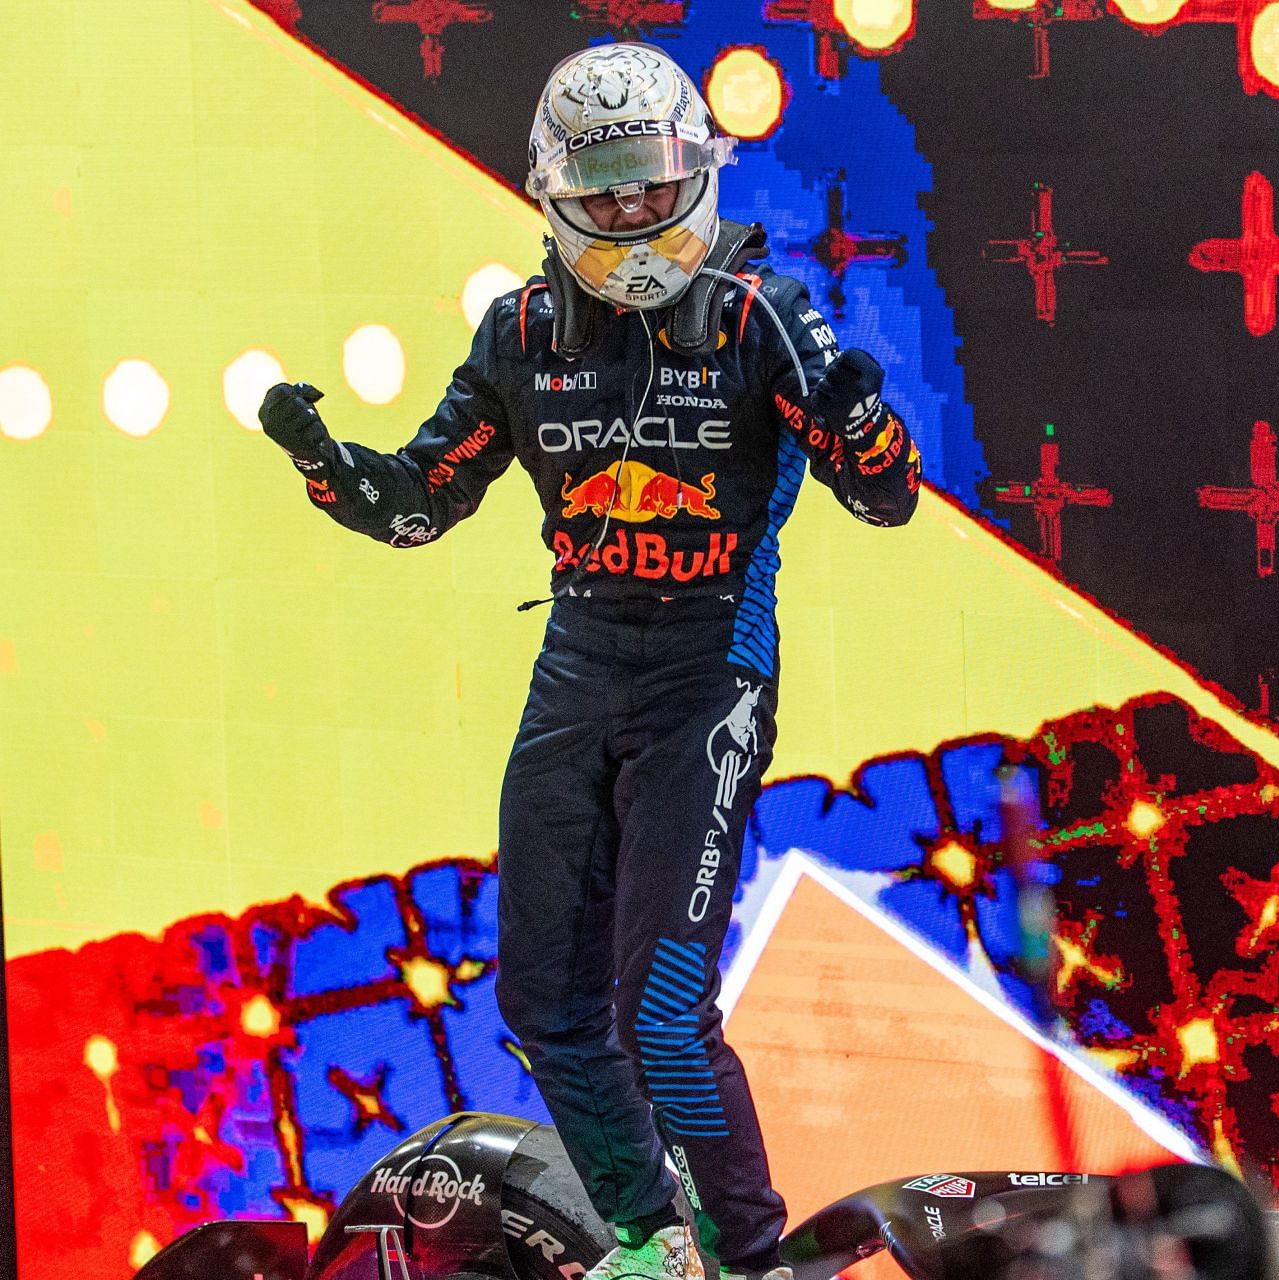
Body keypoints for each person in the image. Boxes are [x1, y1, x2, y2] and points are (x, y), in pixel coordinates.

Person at [258, 41, 921, 1280]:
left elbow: (886, 500)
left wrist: (860, 422)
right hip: (577, 666)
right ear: (552, 189)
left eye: (653, 181)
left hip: (709, 671)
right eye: (603, 186)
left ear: (699, 173)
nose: (629, 212)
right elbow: (420, 499)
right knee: (544, 1006)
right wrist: (327, 466)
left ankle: (754, 1261)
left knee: (663, 1017)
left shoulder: (761, 313)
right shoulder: (515, 329)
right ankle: (650, 1239)